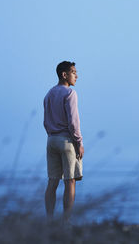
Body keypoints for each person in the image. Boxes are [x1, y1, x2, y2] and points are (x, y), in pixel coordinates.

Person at [43, 61, 85, 221]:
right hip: (66, 141)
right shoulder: (70, 94)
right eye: (74, 72)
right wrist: (79, 142)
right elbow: (73, 122)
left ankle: (49, 220)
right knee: (70, 181)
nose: (77, 75)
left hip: (51, 140)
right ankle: (66, 222)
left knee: (52, 181)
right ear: (64, 74)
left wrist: (52, 134)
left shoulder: (49, 94)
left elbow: (45, 121)